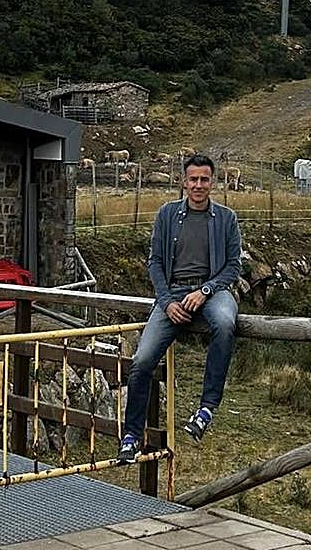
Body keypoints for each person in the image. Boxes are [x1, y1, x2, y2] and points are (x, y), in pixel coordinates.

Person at [117, 153, 241, 464]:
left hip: (213, 291)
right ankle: (131, 436)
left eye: (204, 179)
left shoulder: (227, 218)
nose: (198, 185)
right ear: (183, 182)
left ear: (212, 182)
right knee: (142, 359)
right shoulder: (167, 214)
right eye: (193, 179)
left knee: (225, 323)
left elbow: (233, 267)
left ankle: (206, 409)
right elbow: (155, 262)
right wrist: (167, 301)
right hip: (172, 293)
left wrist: (206, 290)